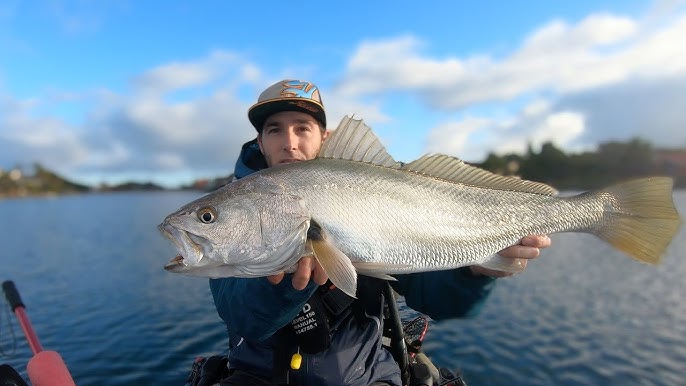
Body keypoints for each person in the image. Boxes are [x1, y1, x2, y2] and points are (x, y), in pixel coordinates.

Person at [204, 79, 551, 386]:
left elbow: (437, 298)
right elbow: (241, 313)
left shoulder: (378, 191)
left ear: (324, 137)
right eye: (275, 129)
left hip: (365, 377)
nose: (289, 142)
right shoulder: (238, 204)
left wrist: (475, 271)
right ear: (261, 142)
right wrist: (281, 281)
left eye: (303, 127)